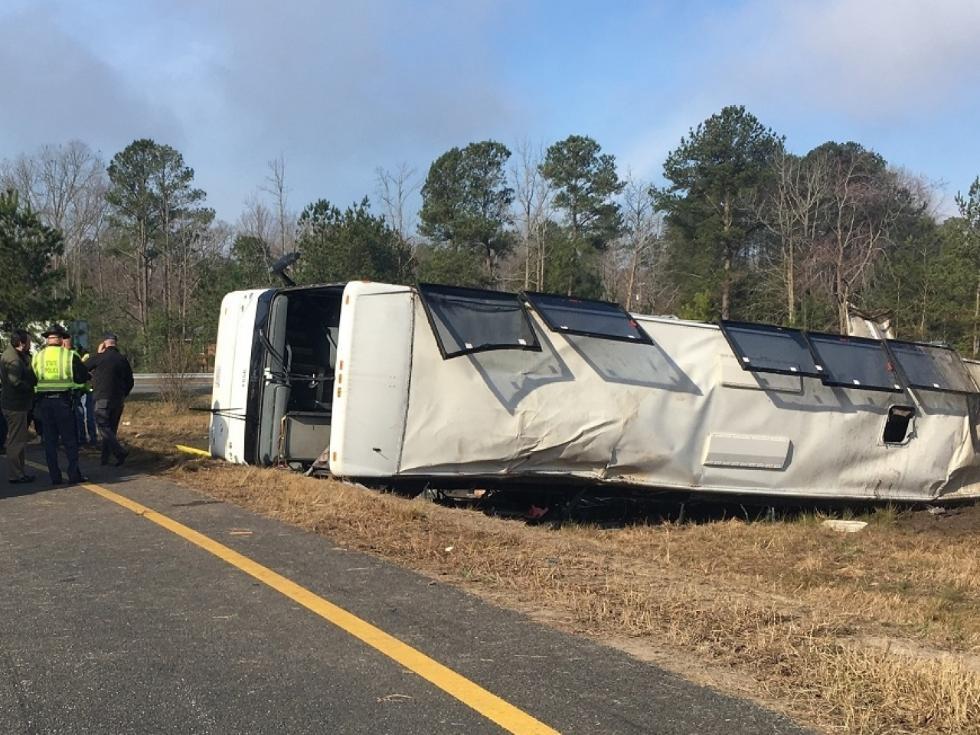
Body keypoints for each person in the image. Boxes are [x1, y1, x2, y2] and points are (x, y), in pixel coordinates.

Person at [32, 324, 89, 484]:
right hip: (63, 403)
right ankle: (73, 474)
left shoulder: (38, 356)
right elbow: (82, 377)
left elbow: (32, 378)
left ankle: (55, 477)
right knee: (70, 440)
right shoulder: (69, 356)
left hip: (44, 403)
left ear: (47, 339)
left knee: (50, 442)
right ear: (61, 339)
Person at [84, 332, 134, 466]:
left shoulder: (99, 357)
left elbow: (83, 368)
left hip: (102, 398)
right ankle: (105, 459)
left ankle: (119, 451)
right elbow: (130, 381)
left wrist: (98, 353)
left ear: (104, 343)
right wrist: (124, 394)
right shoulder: (122, 359)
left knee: (103, 427)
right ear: (115, 343)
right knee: (110, 429)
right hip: (118, 399)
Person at [1, 329, 37, 484]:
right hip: (15, 405)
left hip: (16, 403)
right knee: (16, 441)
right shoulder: (14, 360)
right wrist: (30, 387)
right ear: (22, 343)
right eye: (28, 342)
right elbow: (15, 381)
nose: (30, 344)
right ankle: (16, 474)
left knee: (19, 439)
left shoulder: (14, 355)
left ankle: (20, 472)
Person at [63, 334, 97, 445]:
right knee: (84, 415)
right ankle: (89, 439)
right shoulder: (75, 354)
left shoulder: (68, 355)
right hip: (81, 389)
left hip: (74, 390)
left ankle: (80, 439)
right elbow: (83, 373)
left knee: (78, 416)